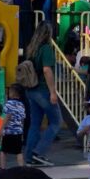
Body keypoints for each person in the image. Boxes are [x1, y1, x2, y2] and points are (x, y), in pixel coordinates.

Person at [23, 22, 61, 167]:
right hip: (43, 90)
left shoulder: (32, 49)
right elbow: (47, 70)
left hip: (31, 89)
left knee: (35, 124)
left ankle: (29, 156)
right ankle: (38, 152)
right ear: (48, 34)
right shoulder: (46, 49)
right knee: (56, 122)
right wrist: (52, 92)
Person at [0, 84, 26, 169]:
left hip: (9, 132)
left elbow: (7, 117)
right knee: (19, 152)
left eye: (9, 92)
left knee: (3, 151)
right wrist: (22, 131)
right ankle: (21, 168)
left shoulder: (8, 104)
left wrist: (2, 128)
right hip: (18, 132)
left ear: (12, 94)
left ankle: (2, 168)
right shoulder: (22, 105)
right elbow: (22, 119)